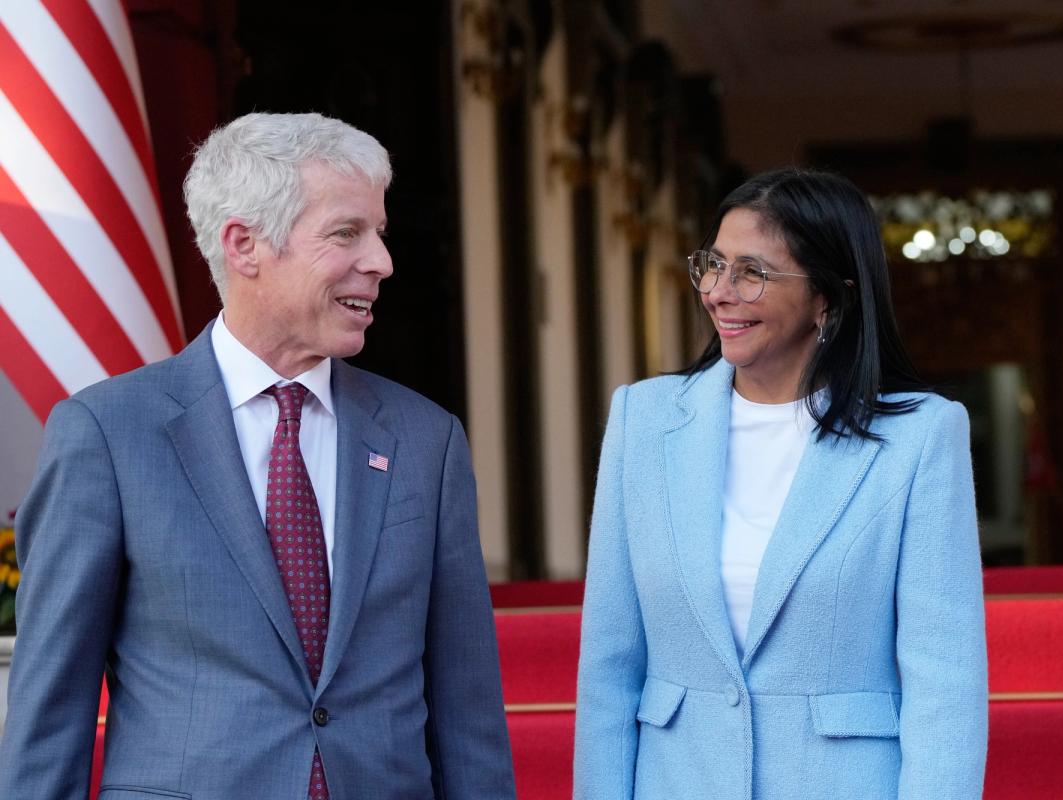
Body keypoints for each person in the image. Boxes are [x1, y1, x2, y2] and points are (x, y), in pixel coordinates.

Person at [0, 112, 515, 800]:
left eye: (379, 233)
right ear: (244, 245)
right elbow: (50, 713)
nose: (382, 262)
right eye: (346, 233)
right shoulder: (107, 435)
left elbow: (467, 712)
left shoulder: (427, 440)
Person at [573, 168, 987, 799]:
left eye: (752, 273)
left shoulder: (920, 437)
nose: (719, 292)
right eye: (713, 265)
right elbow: (609, 667)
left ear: (829, 299)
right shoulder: (644, 420)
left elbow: (944, 682)